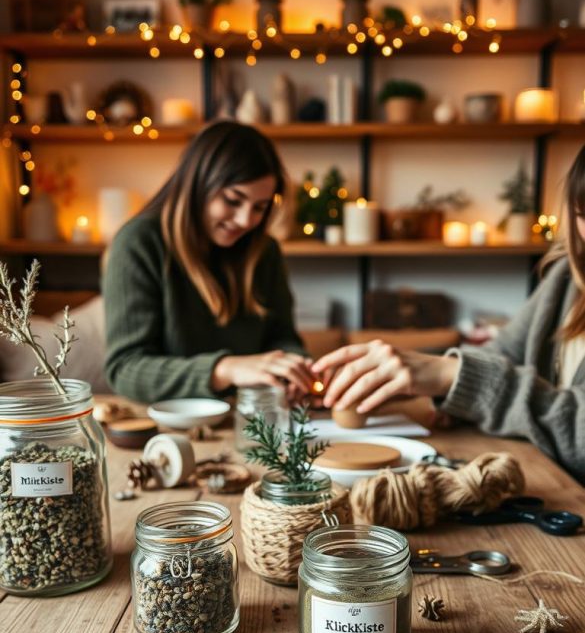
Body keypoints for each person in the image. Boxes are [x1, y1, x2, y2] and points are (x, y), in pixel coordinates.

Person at [313, 145, 585, 482]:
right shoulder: (567, 277)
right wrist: (446, 389)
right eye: (584, 214)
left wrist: (454, 376)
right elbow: (505, 357)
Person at [104, 120, 313, 403]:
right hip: (168, 424)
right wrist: (226, 369)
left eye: (260, 207)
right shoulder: (138, 243)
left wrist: (293, 367)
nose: (245, 220)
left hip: (250, 416)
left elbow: (283, 337)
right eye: (232, 200)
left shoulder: (265, 251)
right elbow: (125, 369)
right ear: (197, 185)